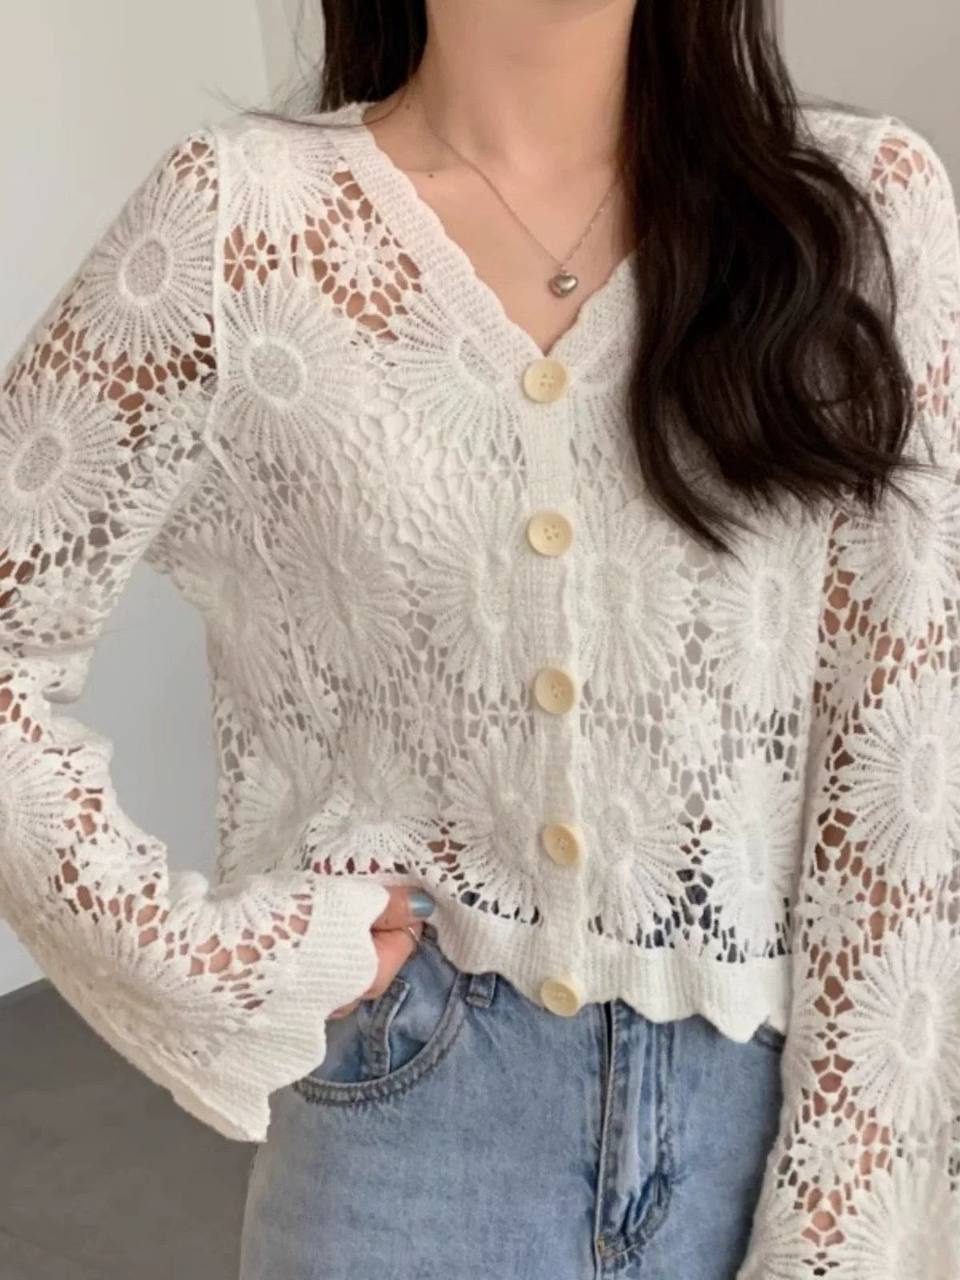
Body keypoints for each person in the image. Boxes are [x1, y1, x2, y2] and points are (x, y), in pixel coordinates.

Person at [1, 0, 958, 1276]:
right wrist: (200, 959)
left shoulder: (860, 214)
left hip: (770, 1128)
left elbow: (903, 775)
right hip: (403, 1140)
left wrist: (837, 1233)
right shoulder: (245, 225)